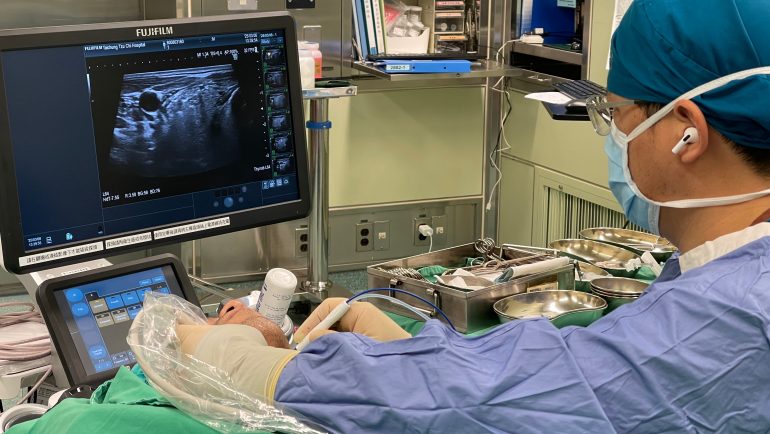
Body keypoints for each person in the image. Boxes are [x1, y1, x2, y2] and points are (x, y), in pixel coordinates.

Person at [167, 0, 770, 432]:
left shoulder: (733, 313)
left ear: (686, 135)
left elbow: (546, 395)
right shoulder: (732, 272)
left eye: (615, 115)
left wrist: (242, 359)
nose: (611, 135)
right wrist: (403, 351)